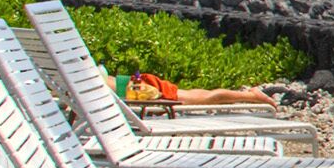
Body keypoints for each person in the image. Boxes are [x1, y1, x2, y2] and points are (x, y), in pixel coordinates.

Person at [113, 70, 276, 107]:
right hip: (132, 85)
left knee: (201, 98)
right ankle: (249, 94)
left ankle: (251, 96)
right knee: (194, 95)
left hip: (137, 90)